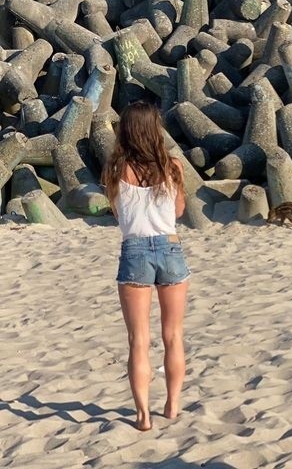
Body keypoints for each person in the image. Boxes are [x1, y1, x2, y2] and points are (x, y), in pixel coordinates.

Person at [101, 101, 190, 431]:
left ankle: (143, 415)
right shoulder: (173, 166)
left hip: (134, 249)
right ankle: (172, 404)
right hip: (170, 246)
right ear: (155, 130)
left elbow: (118, 214)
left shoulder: (114, 169)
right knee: (173, 335)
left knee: (139, 340)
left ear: (125, 130)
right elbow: (179, 211)